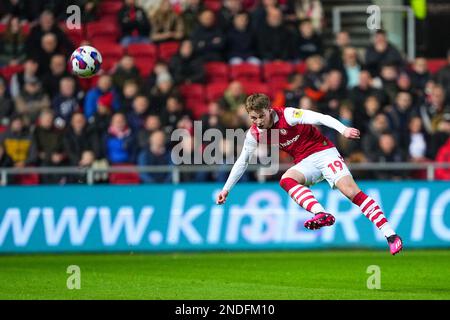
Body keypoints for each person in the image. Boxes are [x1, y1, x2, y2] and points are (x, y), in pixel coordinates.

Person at [215, 93, 403, 255]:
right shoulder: (254, 134)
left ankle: (390, 235)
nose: (257, 122)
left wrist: (343, 129)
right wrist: (226, 189)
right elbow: (242, 161)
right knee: (286, 180)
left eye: (260, 117)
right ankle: (320, 214)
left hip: (324, 152)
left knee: (351, 192)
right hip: (305, 162)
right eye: (253, 118)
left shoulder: (288, 115)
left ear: (269, 110)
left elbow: (321, 118)